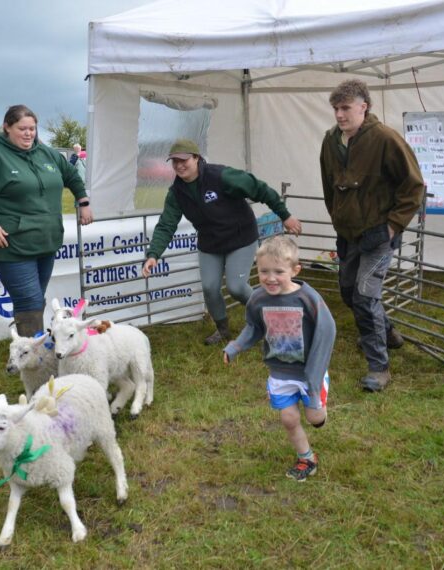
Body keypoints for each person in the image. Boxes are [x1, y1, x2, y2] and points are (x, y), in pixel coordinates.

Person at [142, 138, 303, 345]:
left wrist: (285, 215)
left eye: (184, 160)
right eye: (175, 161)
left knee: (236, 286)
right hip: (210, 243)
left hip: (240, 237)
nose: (179, 165)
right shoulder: (176, 193)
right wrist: (153, 254)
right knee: (209, 287)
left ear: (196, 158)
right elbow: (166, 224)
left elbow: (259, 188)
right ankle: (223, 330)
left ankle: (272, 319)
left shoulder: (221, 176)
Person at [319, 79, 425, 392]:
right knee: (349, 293)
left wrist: (393, 225)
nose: (340, 115)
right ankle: (387, 332)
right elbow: (328, 185)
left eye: (346, 108)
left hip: (379, 233)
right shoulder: (330, 141)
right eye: (336, 108)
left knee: (365, 295)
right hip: (348, 233)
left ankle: (379, 367)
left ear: (364, 106)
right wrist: (338, 218)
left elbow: (413, 186)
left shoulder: (385, 138)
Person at [0, 104, 93, 337]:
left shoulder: (47, 154)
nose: (28, 133)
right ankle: (35, 361)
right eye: (22, 128)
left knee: (33, 299)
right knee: (30, 301)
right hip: (11, 246)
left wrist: (83, 201)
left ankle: (26, 343)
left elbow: (71, 174)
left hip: (46, 241)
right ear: (7, 127)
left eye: (32, 128)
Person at [222, 236, 336, 482]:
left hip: (309, 372)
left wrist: (315, 374)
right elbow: (253, 327)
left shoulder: (308, 299)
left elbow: (327, 332)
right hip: (280, 372)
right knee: (288, 419)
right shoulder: (257, 299)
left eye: (278, 271)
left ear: (295, 270)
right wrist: (234, 347)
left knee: (315, 418)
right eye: (263, 271)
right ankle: (306, 458)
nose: (270, 278)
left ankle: (319, 401)